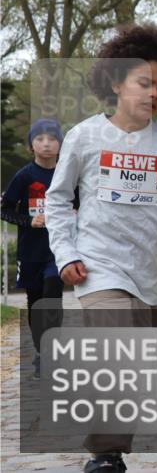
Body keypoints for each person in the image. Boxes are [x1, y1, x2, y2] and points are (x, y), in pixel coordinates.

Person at [46, 25, 157, 473]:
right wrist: (67, 254)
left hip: (150, 271)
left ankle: (109, 442)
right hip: (98, 265)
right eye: (144, 83)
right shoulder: (85, 136)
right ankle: (105, 455)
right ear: (115, 82)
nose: (153, 94)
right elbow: (57, 199)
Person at [1, 118, 65, 380]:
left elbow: (82, 205)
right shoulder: (24, 176)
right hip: (31, 251)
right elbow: (5, 209)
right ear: (31, 145)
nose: (46, 144)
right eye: (40, 139)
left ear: (61, 144)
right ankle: (41, 351)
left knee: (52, 295)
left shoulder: (67, 173)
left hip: (59, 249)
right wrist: (29, 220)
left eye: (52, 139)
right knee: (36, 303)